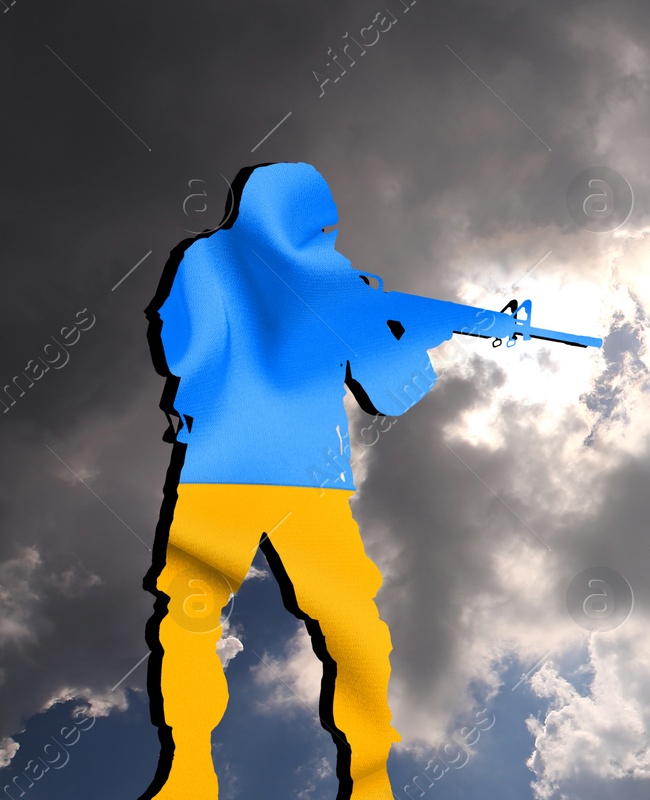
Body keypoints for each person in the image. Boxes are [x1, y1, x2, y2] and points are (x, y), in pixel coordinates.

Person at [142, 162, 462, 800]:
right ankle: (368, 781)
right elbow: (396, 392)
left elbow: (182, 353)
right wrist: (401, 333)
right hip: (300, 485)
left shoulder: (210, 260)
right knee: (351, 629)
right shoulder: (325, 279)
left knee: (192, 621)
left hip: (224, 476)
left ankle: (190, 776)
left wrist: (403, 333)